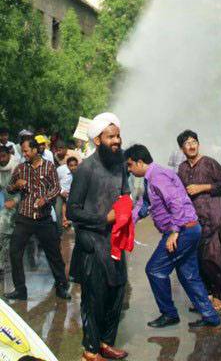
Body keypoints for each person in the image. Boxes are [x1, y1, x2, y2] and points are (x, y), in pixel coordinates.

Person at [127, 144, 221, 329]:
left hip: (183, 230)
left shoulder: (158, 176)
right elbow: (144, 203)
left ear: (140, 162)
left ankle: (169, 314)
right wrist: (129, 221)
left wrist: (174, 232)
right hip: (188, 229)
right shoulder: (151, 178)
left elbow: (176, 203)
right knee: (188, 274)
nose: (129, 170)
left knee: (155, 269)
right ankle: (211, 316)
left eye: (130, 165)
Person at [67, 112, 129, 361]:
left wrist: (126, 209)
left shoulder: (120, 164)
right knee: (94, 297)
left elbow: (124, 194)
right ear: (97, 140)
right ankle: (90, 351)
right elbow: (73, 210)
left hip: (115, 240)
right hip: (92, 242)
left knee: (117, 292)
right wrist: (105, 219)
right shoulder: (86, 169)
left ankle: (105, 342)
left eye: (118, 136)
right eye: (110, 137)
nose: (116, 141)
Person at [4, 137, 69, 301]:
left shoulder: (49, 167)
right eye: (23, 151)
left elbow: (56, 188)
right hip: (24, 217)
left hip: (43, 219)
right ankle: (20, 290)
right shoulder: (20, 168)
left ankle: (61, 286)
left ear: (34, 150)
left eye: (26, 151)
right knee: (15, 251)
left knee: (53, 253)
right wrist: (16, 185)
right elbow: (9, 189)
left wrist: (45, 199)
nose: (24, 154)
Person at [176, 130, 221, 311]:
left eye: (194, 142)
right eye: (187, 143)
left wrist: (203, 187)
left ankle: (218, 295)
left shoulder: (209, 163)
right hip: (192, 220)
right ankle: (204, 295)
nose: (191, 146)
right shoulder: (182, 168)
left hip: (212, 217)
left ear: (199, 144)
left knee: (213, 257)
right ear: (181, 148)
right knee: (197, 259)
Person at [0, 146, 19, 271]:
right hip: (5, 204)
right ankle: (2, 264)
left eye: (3, 156)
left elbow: (25, 190)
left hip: (20, 202)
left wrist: (15, 201)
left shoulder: (17, 167)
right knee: (3, 231)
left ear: (9, 155)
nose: (1, 159)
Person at [56, 157, 79, 231]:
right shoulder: (60, 170)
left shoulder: (80, 172)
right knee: (57, 211)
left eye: (75, 165)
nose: (73, 167)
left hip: (71, 196)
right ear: (67, 165)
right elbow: (54, 182)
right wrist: (61, 191)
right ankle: (59, 231)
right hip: (60, 194)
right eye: (71, 165)